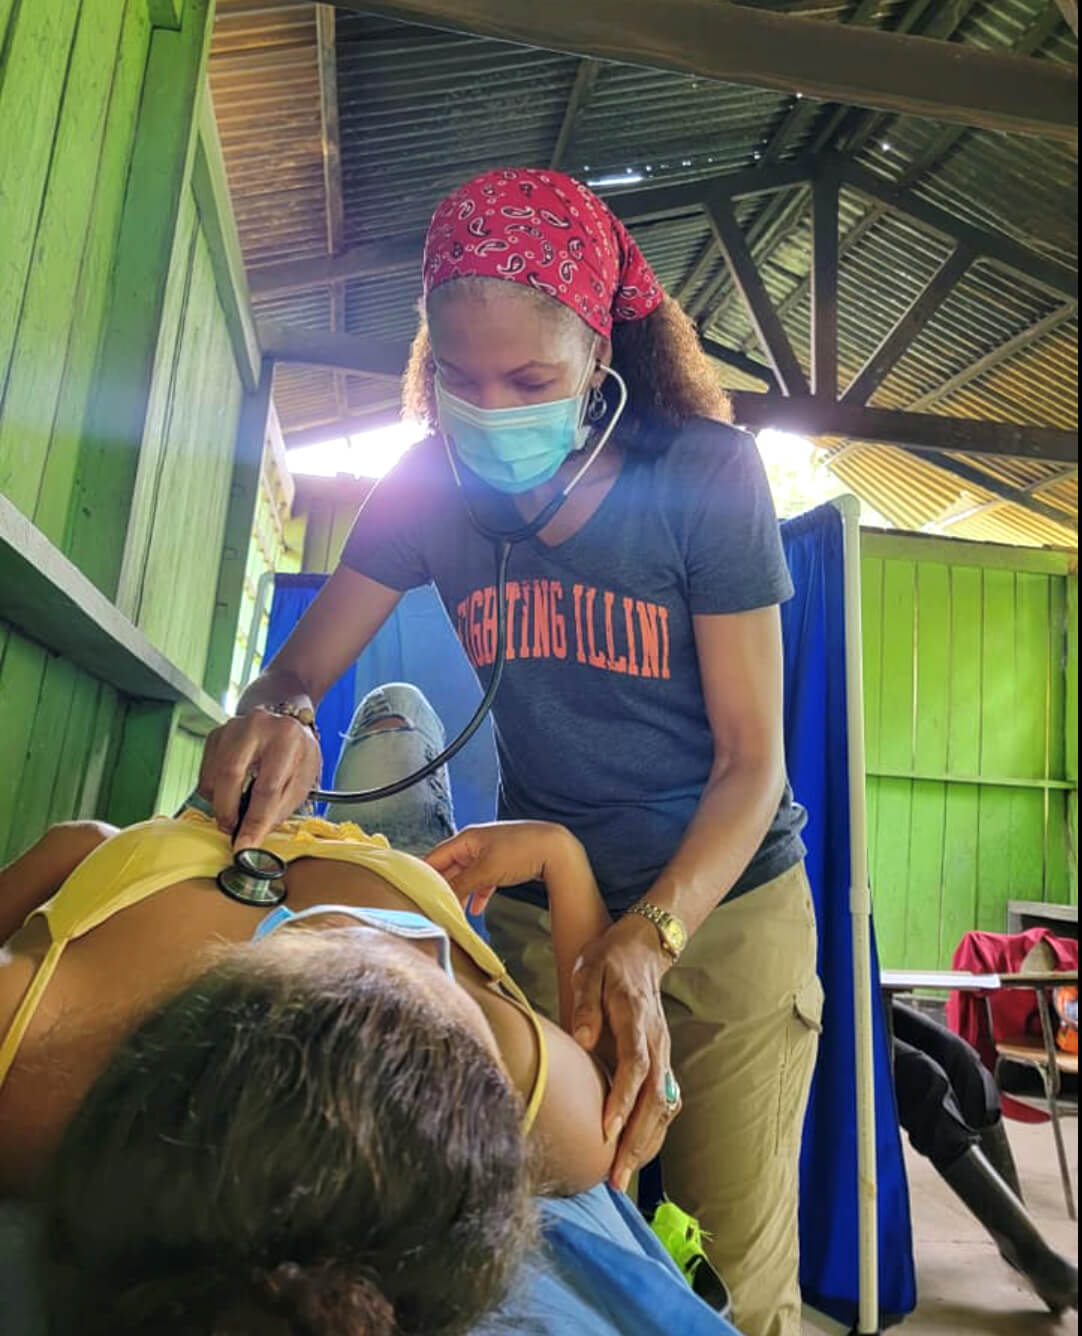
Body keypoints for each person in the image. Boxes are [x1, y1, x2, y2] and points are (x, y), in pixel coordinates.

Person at [197, 166, 820, 1336]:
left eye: (531, 379)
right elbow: (296, 672)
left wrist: (660, 932)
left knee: (731, 1280)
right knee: (541, 1239)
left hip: (727, 911)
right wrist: (273, 714)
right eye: (463, 383)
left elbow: (753, 765)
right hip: (548, 905)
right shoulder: (427, 485)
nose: (493, 409)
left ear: (597, 357)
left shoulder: (703, 476)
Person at [0, 688, 739, 1336]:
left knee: (366, 720)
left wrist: (272, 728)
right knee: (400, 715)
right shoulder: (496, 1057)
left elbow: (69, 855)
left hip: (192, 835)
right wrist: (559, 856)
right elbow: (620, 1102)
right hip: (419, 862)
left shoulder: (38, 1053)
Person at [892, 1000, 1078, 1314]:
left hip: (853, 991)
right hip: (799, 1010)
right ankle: (1035, 1256)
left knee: (964, 1063)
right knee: (923, 1081)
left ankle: (1019, 1237)